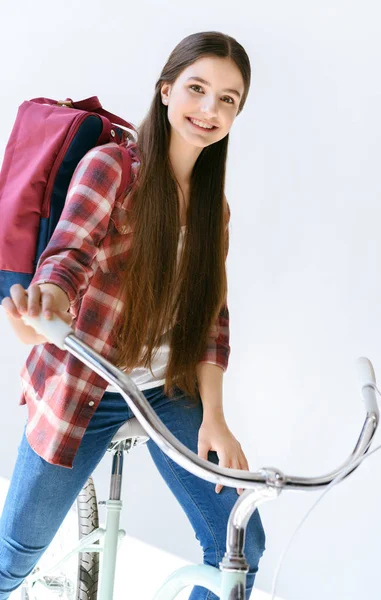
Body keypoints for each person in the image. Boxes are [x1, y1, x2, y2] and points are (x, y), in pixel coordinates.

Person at [0, 31, 266, 599]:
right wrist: (48, 302)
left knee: (241, 548)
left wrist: (214, 416)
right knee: (14, 557)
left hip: (167, 394)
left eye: (228, 99)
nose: (209, 109)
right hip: (86, 384)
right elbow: (68, 257)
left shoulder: (213, 205)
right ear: (166, 91)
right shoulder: (113, 167)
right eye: (197, 88)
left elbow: (211, 319)